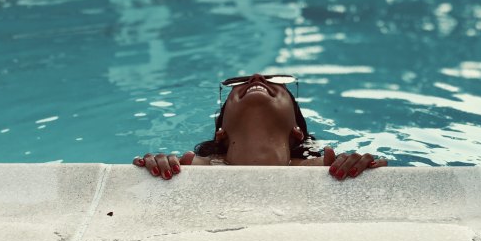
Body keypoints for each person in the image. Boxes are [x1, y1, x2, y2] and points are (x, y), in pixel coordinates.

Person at [133, 73, 388, 180]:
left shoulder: (329, 168)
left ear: (297, 130)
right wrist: (157, 165)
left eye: (276, 80)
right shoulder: (186, 166)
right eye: (240, 81)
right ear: (220, 132)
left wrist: (364, 168)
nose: (257, 77)